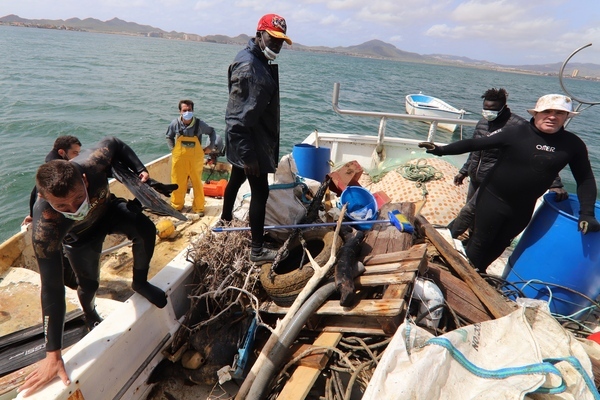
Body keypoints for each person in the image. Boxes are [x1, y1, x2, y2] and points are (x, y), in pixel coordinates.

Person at [19, 136, 167, 397]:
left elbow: (117, 143)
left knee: (145, 228)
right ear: (44, 197)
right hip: (79, 238)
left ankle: (140, 282)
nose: (74, 208)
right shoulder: (47, 227)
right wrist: (53, 354)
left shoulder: (94, 162)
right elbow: (51, 287)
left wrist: (141, 169)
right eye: (62, 205)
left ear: (84, 180)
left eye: (77, 198)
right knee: (89, 284)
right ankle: (89, 313)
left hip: (106, 211)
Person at [420, 94, 600, 272]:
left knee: (500, 244)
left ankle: (477, 274)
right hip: (493, 198)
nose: (552, 116)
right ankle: (461, 276)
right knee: (480, 241)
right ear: (536, 113)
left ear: (566, 117)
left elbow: (585, 179)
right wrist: (441, 150)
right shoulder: (516, 132)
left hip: (522, 208)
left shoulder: (573, 144)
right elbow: (476, 143)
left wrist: (587, 213)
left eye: (559, 113)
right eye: (547, 111)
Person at [219, 14, 292, 265]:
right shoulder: (252, 69)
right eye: (273, 39)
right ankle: (257, 250)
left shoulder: (249, 57)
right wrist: (249, 156)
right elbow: (237, 119)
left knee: (236, 177)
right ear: (260, 34)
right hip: (250, 141)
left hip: (245, 138)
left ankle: (225, 220)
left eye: (281, 41)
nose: (277, 45)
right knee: (259, 192)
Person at [448, 89, 567, 239]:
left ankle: (448, 236)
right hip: (476, 175)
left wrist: (555, 183)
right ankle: (471, 240)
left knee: (469, 210)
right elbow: (475, 150)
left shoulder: (518, 126)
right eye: (486, 109)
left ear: (504, 107)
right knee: (475, 213)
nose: (488, 112)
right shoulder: (483, 122)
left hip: (495, 180)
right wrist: (464, 171)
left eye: (492, 110)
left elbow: (539, 153)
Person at [166, 100, 217, 216]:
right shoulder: (175, 124)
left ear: (193, 111)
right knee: (177, 182)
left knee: (197, 183)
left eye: (189, 110)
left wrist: (210, 147)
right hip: (179, 159)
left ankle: (199, 208)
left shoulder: (200, 125)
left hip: (195, 160)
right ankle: (176, 205)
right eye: (184, 110)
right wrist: (173, 149)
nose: (187, 112)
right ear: (180, 112)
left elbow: (212, 132)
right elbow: (169, 136)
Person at [22, 135, 83, 226]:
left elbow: (35, 190)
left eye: (78, 153)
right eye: (75, 153)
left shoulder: (50, 165)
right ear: (61, 152)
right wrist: (34, 216)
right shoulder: (57, 171)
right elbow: (38, 193)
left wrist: (32, 214)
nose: (78, 156)